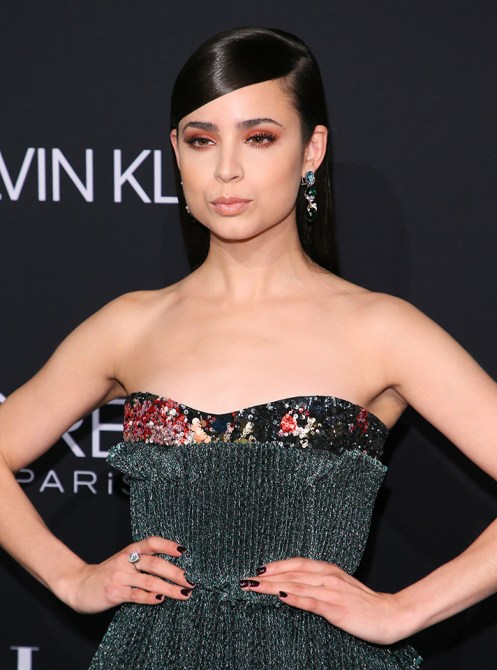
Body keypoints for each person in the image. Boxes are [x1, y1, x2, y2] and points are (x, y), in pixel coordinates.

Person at [0, 26, 496, 670]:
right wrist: (71, 578)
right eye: (201, 140)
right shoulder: (128, 327)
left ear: (311, 150)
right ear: (176, 153)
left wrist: (403, 610)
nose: (226, 169)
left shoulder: (380, 330)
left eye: (259, 137)